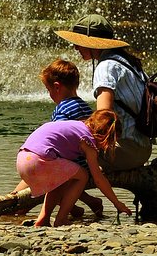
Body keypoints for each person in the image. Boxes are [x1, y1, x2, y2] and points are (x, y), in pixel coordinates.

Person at [54, 14, 152, 172]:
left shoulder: (106, 67)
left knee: (54, 149)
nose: (75, 47)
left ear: (92, 44)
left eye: (79, 43)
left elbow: (103, 117)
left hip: (122, 151)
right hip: (142, 150)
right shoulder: (129, 63)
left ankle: (21, 195)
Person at [8, 59, 102, 217]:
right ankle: (83, 205)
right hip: (83, 161)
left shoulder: (63, 110)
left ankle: (14, 204)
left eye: (48, 89)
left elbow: (59, 144)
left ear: (57, 87)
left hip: (71, 163)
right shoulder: (84, 106)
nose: (49, 94)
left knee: (43, 177)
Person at [17, 110, 133, 226]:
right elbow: (98, 179)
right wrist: (116, 203)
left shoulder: (75, 126)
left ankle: (43, 219)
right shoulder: (87, 140)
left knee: (61, 180)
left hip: (22, 160)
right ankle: (61, 218)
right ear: (106, 136)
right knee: (82, 176)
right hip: (39, 161)